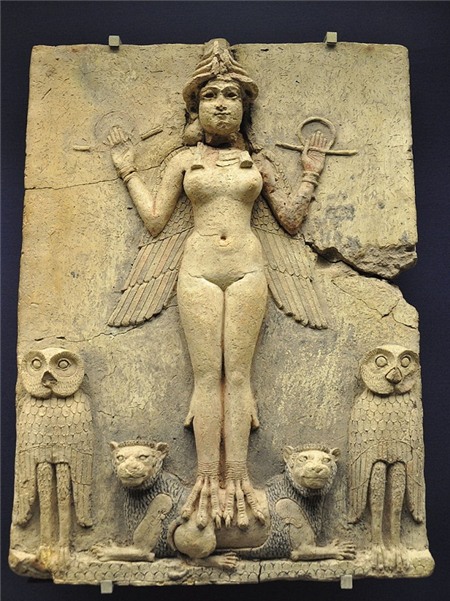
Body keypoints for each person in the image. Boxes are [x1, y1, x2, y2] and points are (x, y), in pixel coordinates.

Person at [108, 39, 328, 530]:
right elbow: (155, 220)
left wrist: (310, 174)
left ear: (245, 107)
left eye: (231, 95)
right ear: (196, 107)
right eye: (210, 96)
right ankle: (207, 477)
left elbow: (290, 220)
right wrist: (127, 169)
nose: (222, 104)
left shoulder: (258, 163)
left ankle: (239, 476)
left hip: (248, 267)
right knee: (208, 378)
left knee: (239, 377)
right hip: (198, 267)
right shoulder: (183, 161)